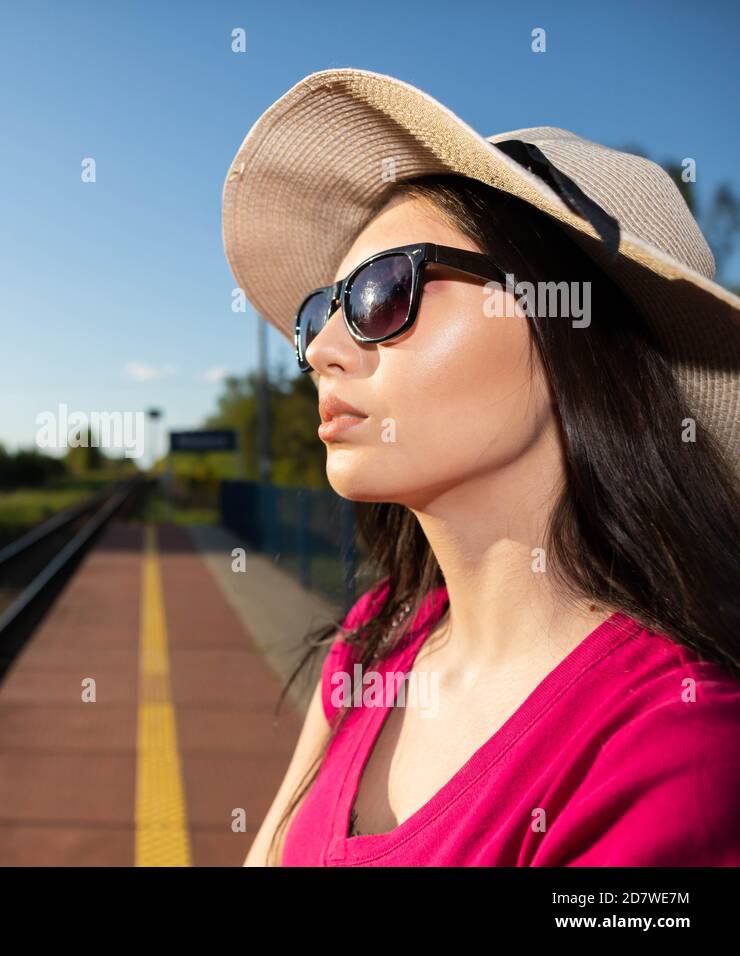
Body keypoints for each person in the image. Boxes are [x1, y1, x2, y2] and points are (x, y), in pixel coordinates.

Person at [222, 69, 740, 866]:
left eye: (383, 292)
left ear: (568, 330)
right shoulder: (376, 639)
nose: (321, 352)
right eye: (319, 314)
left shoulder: (675, 754)